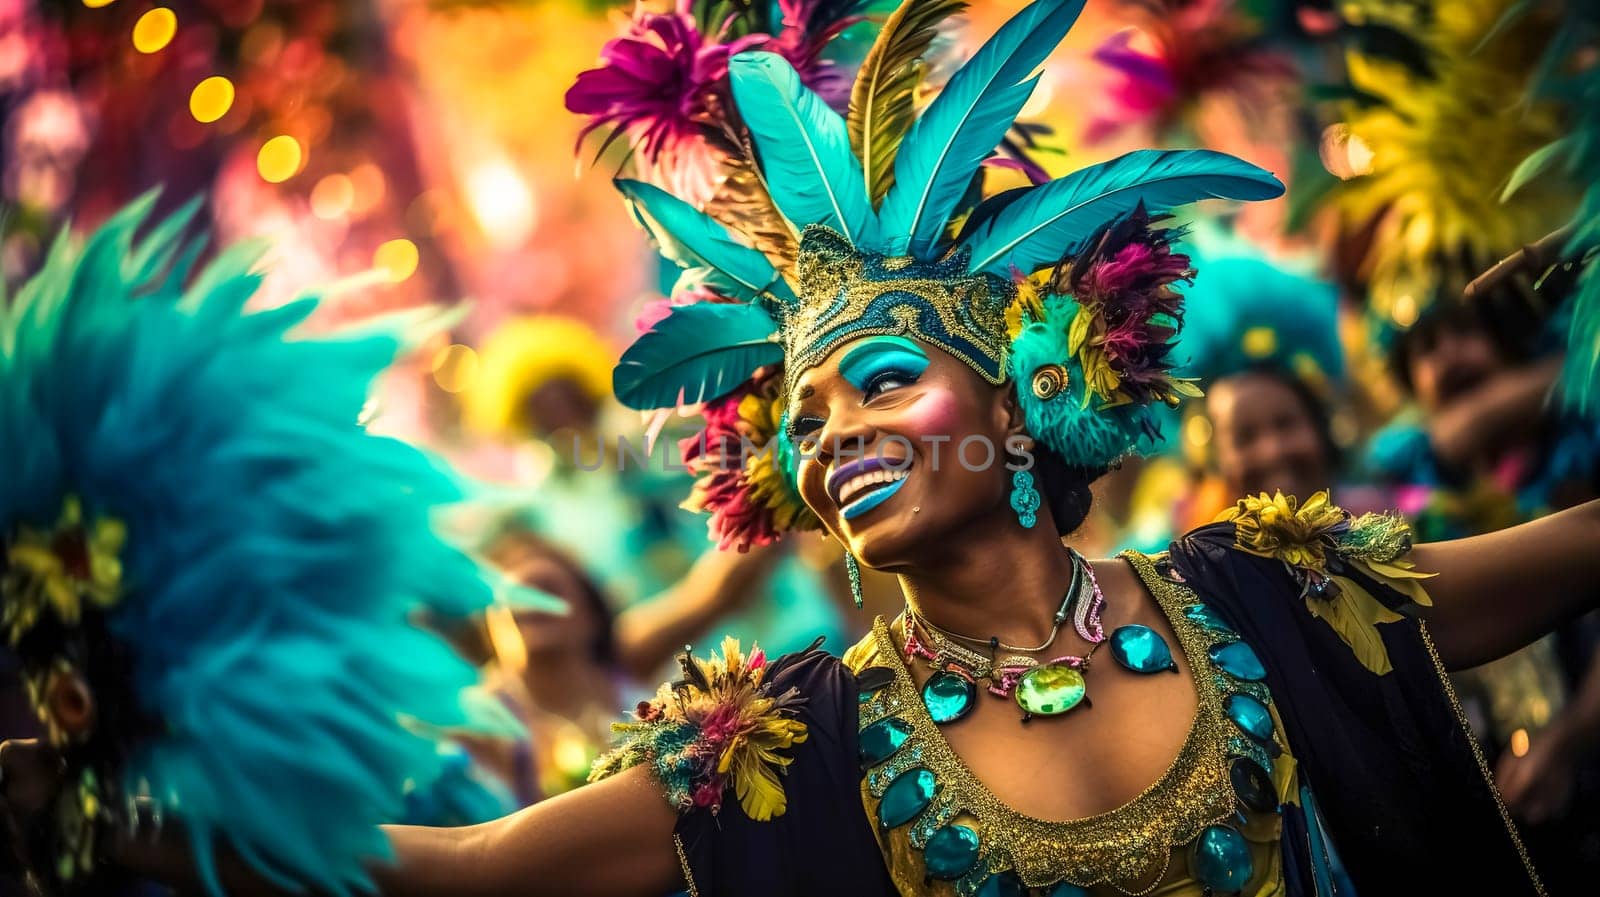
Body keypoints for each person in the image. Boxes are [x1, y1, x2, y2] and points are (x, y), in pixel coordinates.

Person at [5, 3, 1599, 897]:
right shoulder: (784, 741)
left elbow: (1558, 562)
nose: (833, 433)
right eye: (807, 412)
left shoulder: (1263, 597)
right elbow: (482, 870)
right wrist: (137, 803)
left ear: (1019, 395)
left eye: (881, 381)